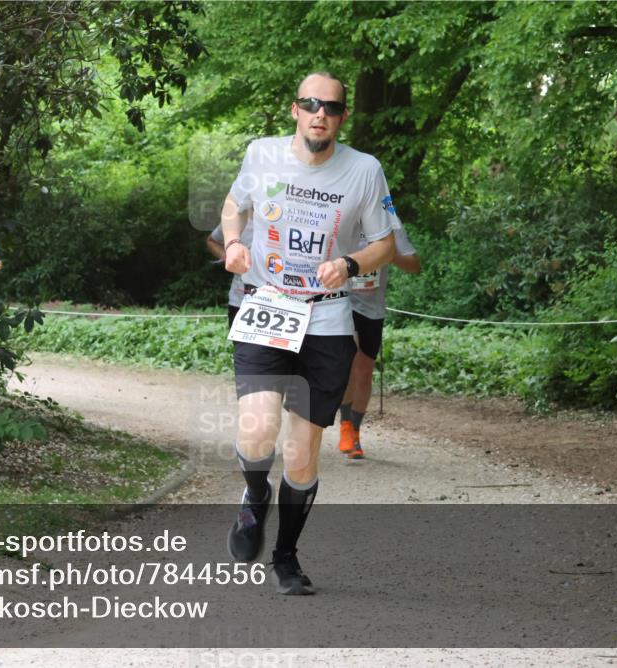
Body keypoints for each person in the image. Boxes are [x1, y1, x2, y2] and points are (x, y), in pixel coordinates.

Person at [219, 72, 399, 595]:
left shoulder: (365, 171)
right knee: (256, 431)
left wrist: (349, 262)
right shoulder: (261, 153)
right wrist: (233, 243)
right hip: (266, 307)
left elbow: (385, 244)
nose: (321, 113)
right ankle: (255, 495)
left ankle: (286, 557)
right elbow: (235, 207)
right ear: (295, 109)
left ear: (343, 117)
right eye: (311, 103)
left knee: (300, 456)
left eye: (332, 107)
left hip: (325, 318)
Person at [337, 224, 420, 459]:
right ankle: (344, 423)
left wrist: (387, 252)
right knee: (350, 361)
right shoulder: (343, 212)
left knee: (364, 371)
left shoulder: (389, 225)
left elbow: (415, 265)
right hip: (341, 301)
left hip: (372, 308)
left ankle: (354, 429)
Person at [206, 214, 253, 327]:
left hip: (286, 302)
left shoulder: (288, 218)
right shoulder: (239, 218)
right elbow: (212, 241)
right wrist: (231, 259)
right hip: (241, 300)